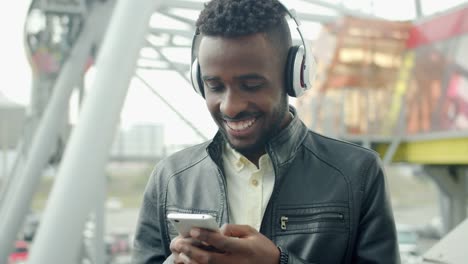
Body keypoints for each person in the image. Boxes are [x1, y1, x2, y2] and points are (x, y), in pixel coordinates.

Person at [132, 0, 400, 263]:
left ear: (294, 77)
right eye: (214, 86)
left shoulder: (358, 174)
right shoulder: (170, 180)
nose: (230, 106)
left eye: (251, 85)